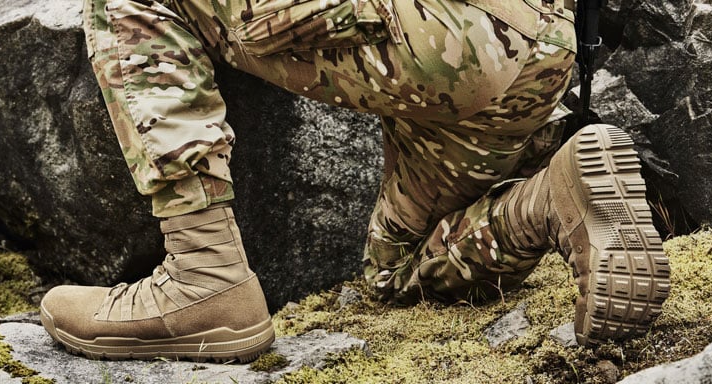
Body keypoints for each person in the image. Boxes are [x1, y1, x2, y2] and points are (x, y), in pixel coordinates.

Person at [39, 0, 671, 362]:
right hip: (538, 38)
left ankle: (204, 278)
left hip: (429, 29)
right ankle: (551, 196)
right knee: (397, 275)